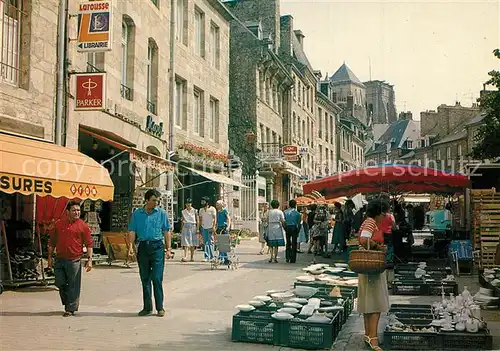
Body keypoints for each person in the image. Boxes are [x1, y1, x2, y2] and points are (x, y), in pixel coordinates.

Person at [128, 189, 172, 317]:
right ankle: (147, 307)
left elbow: (167, 231)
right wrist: (131, 246)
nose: (156, 203)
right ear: (146, 200)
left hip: (157, 247)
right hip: (143, 247)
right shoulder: (137, 214)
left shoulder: (161, 213)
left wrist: (168, 248)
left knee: (157, 278)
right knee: (145, 278)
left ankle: (160, 307)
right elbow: (132, 230)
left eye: (157, 201)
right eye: (154, 200)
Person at [48, 201, 93, 317]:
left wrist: (89, 260)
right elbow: (52, 242)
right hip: (59, 259)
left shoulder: (83, 226)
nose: (77, 212)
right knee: (59, 282)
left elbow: (89, 244)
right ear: (67, 212)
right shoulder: (59, 224)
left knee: (73, 285)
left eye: (78, 210)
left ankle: (70, 308)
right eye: (74, 210)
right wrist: (49, 257)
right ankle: (68, 302)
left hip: (74, 260)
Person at [357, 198, 390, 351]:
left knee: (368, 303)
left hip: (367, 267)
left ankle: (368, 335)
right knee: (375, 303)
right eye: (385, 213)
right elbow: (364, 239)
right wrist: (379, 247)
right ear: (380, 212)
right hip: (372, 267)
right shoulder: (370, 222)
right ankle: (373, 339)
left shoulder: (369, 221)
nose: (386, 216)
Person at [198, 196, 216, 262]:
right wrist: (200, 227)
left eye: (203, 201)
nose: (202, 202)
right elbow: (200, 219)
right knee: (205, 242)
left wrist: (214, 226)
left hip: (210, 227)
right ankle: (206, 256)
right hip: (204, 227)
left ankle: (212, 256)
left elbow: (214, 218)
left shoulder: (212, 209)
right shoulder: (201, 210)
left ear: (207, 202)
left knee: (210, 242)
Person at [284, 199, 301, 263]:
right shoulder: (297, 213)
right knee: (294, 243)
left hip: (287, 227)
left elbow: (283, 222)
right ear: (295, 205)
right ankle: (293, 259)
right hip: (294, 227)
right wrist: (298, 231)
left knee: (288, 243)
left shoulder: (285, 212)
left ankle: (287, 257)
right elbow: (299, 223)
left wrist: (285, 228)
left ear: (289, 205)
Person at [215, 200, 231, 264]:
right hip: (219, 228)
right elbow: (217, 221)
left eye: (218, 204)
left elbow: (228, 219)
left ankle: (225, 258)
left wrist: (228, 227)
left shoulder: (225, 211)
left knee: (224, 244)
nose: (217, 206)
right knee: (220, 244)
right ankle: (221, 257)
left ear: (221, 205)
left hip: (224, 228)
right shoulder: (218, 212)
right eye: (216, 204)